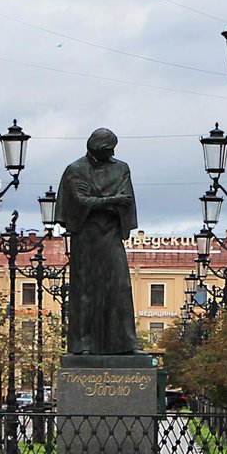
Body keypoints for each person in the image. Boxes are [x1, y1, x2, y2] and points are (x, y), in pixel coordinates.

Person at [54, 128, 141, 355]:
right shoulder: (76, 170)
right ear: (96, 150)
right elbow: (79, 202)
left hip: (111, 235)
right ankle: (82, 344)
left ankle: (126, 344)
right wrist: (111, 201)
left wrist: (97, 202)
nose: (112, 153)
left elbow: (126, 201)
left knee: (120, 286)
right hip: (86, 237)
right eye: (108, 150)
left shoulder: (121, 168)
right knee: (85, 289)